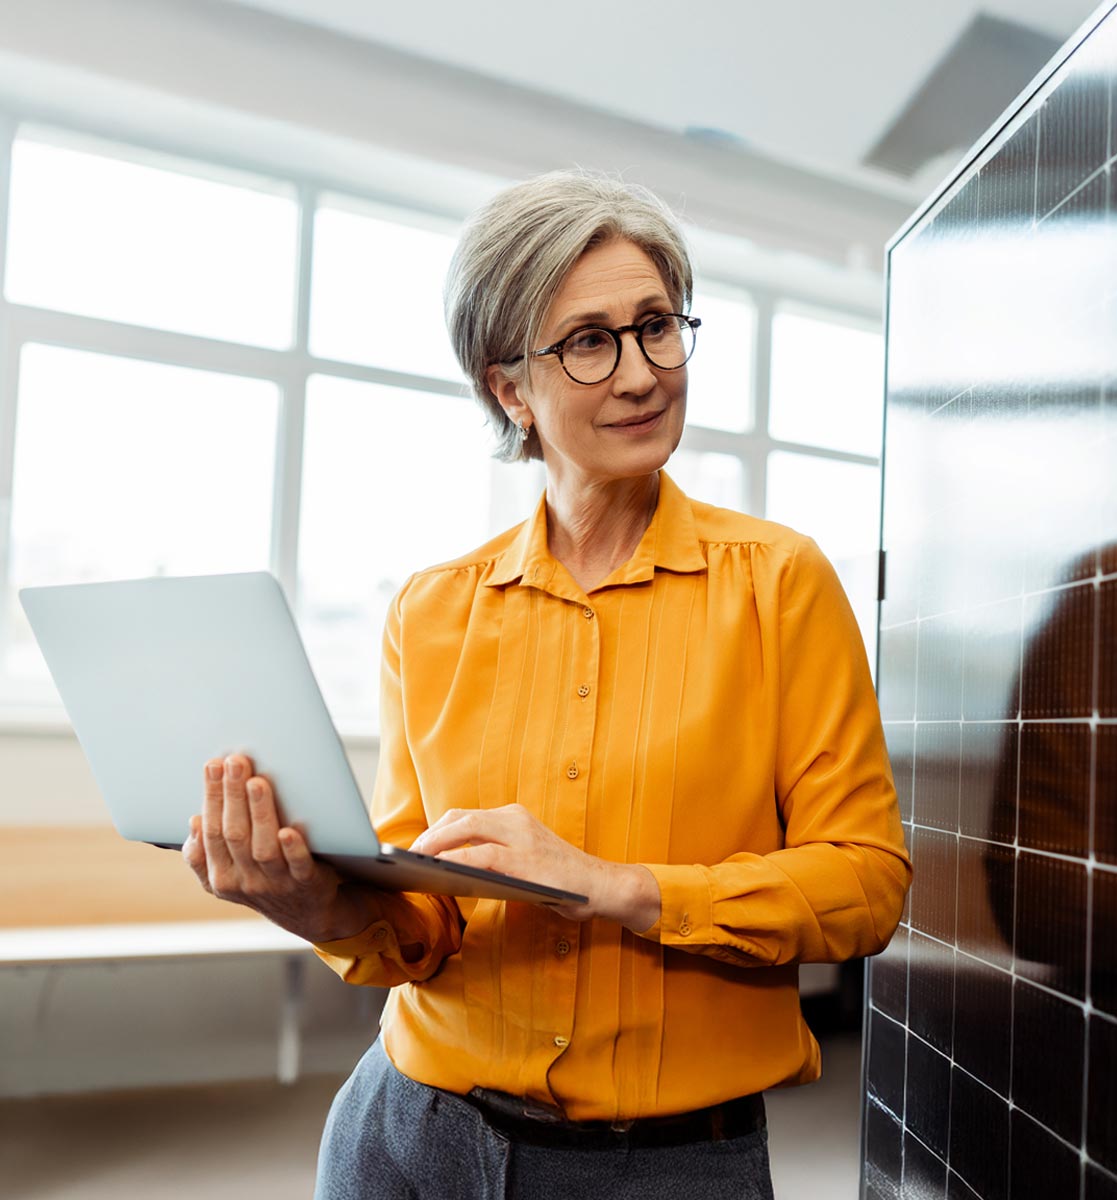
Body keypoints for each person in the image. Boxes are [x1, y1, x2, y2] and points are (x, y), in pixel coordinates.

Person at [182, 170, 912, 1199]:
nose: (641, 373)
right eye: (588, 341)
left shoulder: (780, 584)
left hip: (665, 1168)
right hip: (408, 1132)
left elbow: (868, 885)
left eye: (657, 325)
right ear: (508, 389)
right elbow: (423, 923)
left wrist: (612, 888)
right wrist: (316, 905)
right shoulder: (432, 613)